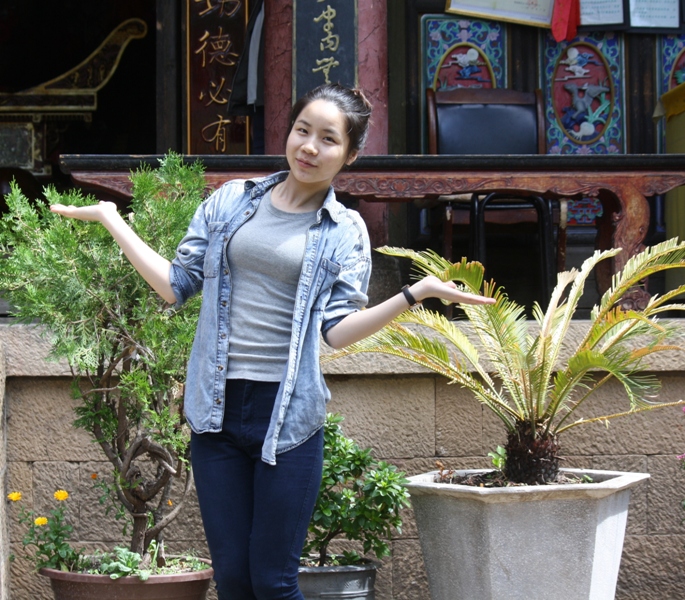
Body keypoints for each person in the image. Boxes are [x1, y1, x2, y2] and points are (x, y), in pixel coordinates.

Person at [50, 83, 495, 600]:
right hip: (215, 412)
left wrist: (412, 294)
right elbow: (175, 285)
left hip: (287, 418)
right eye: (302, 130)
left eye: (328, 139)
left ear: (349, 154)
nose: (309, 146)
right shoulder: (232, 201)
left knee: (274, 581)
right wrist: (113, 220)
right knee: (235, 582)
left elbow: (336, 331)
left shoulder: (344, 230)